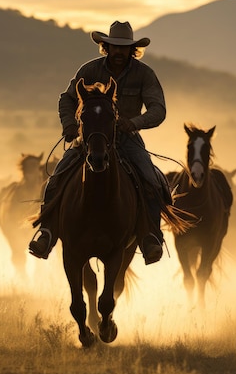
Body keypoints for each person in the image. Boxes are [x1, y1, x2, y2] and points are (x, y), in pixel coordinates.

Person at [28, 20, 168, 265]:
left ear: (132, 49)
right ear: (106, 46)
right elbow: (67, 99)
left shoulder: (144, 74)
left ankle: (151, 237)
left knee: (152, 179)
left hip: (128, 139)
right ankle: (47, 232)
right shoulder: (89, 70)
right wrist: (70, 124)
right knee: (56, 178)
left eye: (123, 48)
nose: (118, 52)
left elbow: (158, 109)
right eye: (114, 46)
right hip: (90, 140)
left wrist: (134, 122)